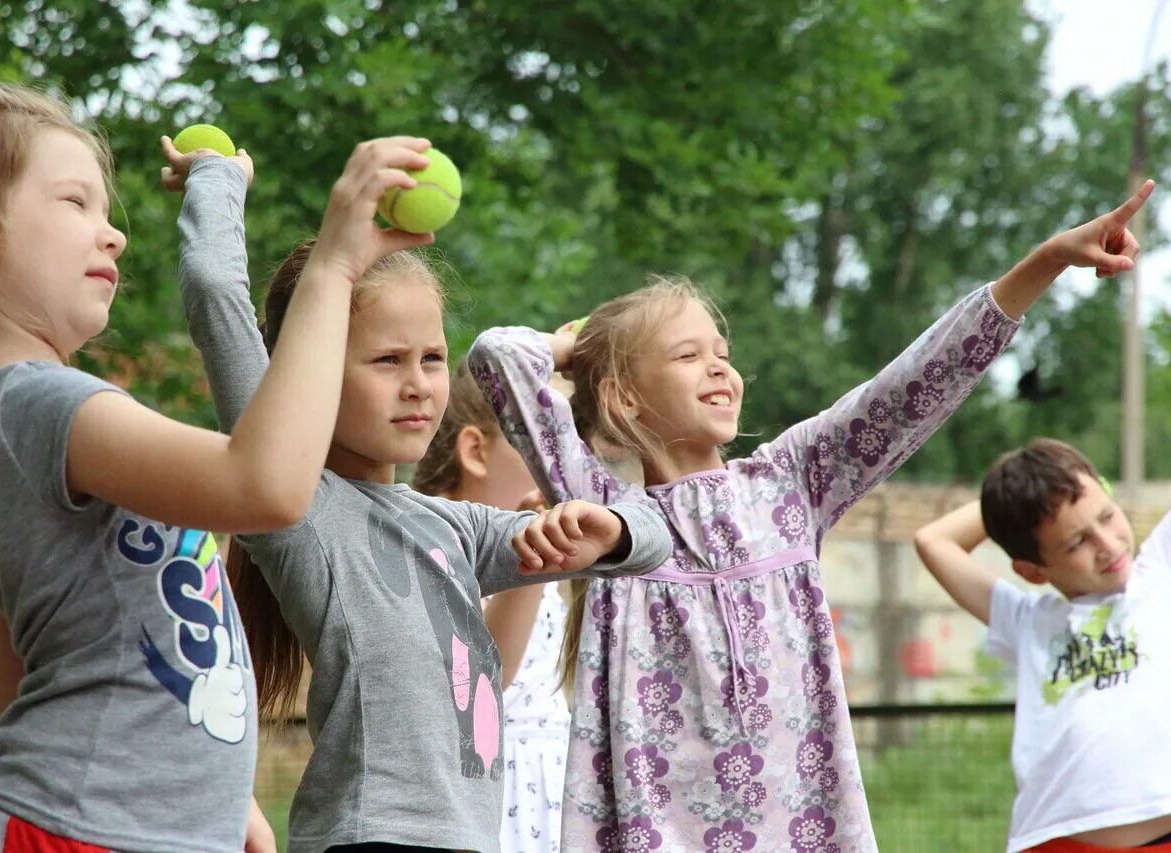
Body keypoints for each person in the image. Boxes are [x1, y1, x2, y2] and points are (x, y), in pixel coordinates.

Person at [466, 181, 1155, 850]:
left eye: (723, 354)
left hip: (802, 829)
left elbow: (921, 380)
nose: (719, 369)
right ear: (624, 393)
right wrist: (581, 351)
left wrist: (1048, 261)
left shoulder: (790, 481)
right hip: (656, 829)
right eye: (686, 355)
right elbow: (498, 355)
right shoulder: (607, 508)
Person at [0, 78, 367, 851]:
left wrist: (204, 793)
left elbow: (20, 665)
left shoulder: (3, 417)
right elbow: (269, 484)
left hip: (92, 820)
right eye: (76, 203)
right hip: (77, 829)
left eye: (107, 214)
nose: (112, 234)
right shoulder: (37, 404)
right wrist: (333, 270)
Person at [163, 138, 674, 852]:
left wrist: (606, 531)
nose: (419, 384)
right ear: (310, 370)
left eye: (432, 358)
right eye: (386, 360)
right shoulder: (299, 508)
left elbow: (655, 539)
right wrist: (218, 178)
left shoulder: (455, 530)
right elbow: (217, 295)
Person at [914, 438, 1171, 852]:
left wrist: (1062, 483)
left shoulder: (1161, 572)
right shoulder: (1027, 620)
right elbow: (933, 541)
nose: (1107, 545)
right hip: (1053, 842)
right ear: (1033, 571)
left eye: (1107, 516)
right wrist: (1020, 504)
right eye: (1076, 542)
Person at [413, 361, 571, 853]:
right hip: (489, 802)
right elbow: (483, 679)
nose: (562, 462)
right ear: (476, 451)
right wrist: (533, 562)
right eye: (544, 443)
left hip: (551, 794)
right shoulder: (433, 545)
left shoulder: (535, 540)